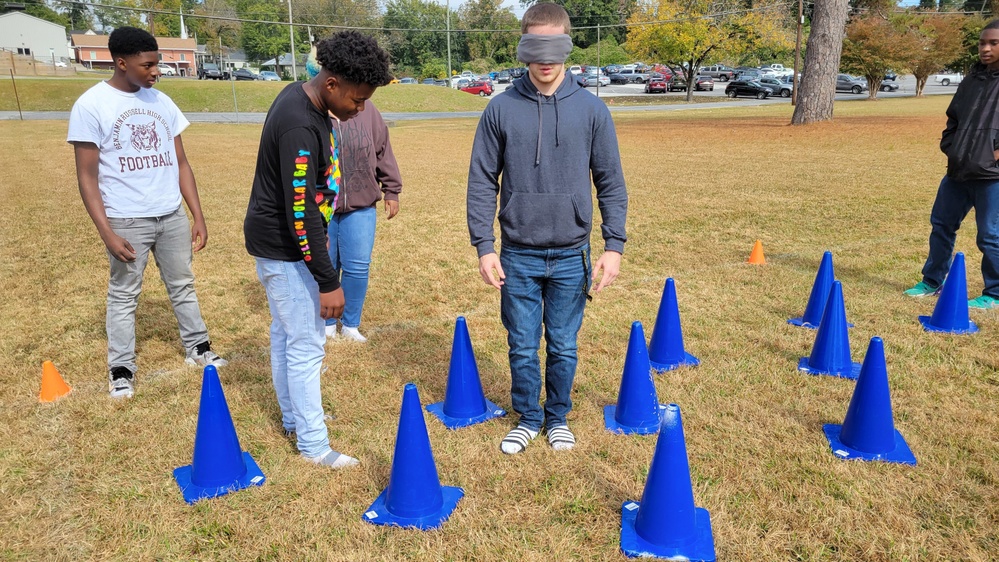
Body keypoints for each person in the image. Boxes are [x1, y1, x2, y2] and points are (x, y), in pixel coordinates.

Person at [466, 3, 628, 454]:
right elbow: (482, 180)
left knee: (562, 345)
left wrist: (613, 245)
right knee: (521, 345)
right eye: (535, 46)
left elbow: (610, 181)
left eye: (553, 46)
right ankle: (528, 417)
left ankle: (557, 416)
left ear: (567, 47)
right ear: (523, 47)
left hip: (572, 253)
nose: (545, 58)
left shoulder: (593, 111)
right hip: (517, 253)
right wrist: (484, 245)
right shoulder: (500, 110)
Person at [244, 31, 392, 469]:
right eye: (358, 99)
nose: (361, 108)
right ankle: (312, 444)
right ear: (331, 84)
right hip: (284, 247)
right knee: (307, 343)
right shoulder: (299, 124)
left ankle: (294, 418)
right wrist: (329, 281)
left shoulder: (302, 97)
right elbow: (302, 213)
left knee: (286, 334)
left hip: (283, 244)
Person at [68, 27, 227, 400]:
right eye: (148, 65)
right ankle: (121, 368)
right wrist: (107, 232)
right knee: (124, 295)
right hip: (126, 219)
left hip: (169, 214)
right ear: (121, 63)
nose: (156, 72)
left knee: (183, 285)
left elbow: (181, 163)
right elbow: (86, 177)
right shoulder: (91, 105)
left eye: (157, 64)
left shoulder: (162, 102)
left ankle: (198, 347)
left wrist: (196, 215)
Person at [304, 46, 403, 343]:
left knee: (358, 266)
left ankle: (350, 324)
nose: (358, 105)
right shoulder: (314, 113)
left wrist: (392, 189)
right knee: (327, 265)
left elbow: (382, 148)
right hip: (324, 208)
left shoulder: (367, 109)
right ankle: (325, 324)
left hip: (360, 205)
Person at [904, 20, 999, 310]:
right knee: (941, 225)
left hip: (993, 176)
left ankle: (995, 294)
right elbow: (953, 118)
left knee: (990, 235)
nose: (985, 48)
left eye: (993, 43)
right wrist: (951, 146)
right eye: (982, 42)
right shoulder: (971, 80)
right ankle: (932, 281)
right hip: (958, 170)